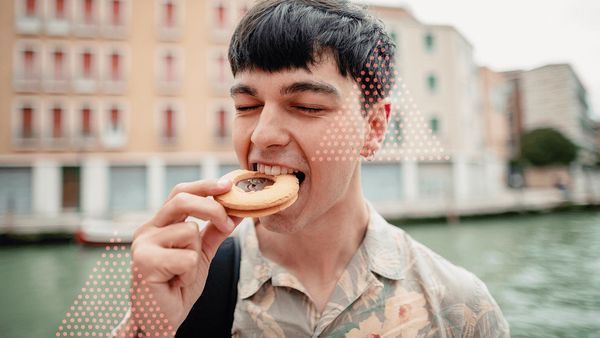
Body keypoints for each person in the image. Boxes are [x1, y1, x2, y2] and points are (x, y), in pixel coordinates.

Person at [116, 0, 510, 337]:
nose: (262, 135)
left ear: (373, 127)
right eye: (246, 107)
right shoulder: (185, 287)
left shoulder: (459, 308)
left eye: (307, 106)